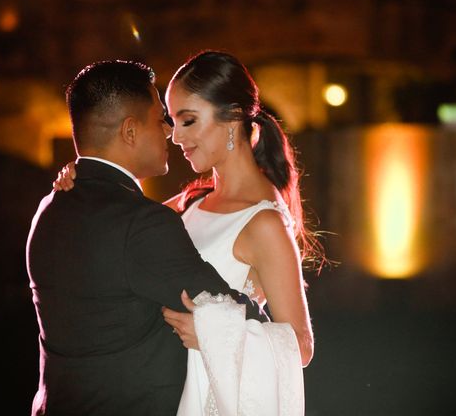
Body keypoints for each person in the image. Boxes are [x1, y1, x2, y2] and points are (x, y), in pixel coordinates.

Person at [56, 51, 319, 415]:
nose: (175, 136)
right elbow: (121, 229)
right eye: (171, 121)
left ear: (233, 117)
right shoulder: (188, 203)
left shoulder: (265, 223)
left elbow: (300, 346)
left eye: (188, 121)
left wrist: (214, 336)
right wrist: (82, 184)